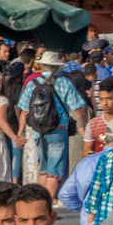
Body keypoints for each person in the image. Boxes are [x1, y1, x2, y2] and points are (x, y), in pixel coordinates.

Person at [14, 51, 89, 199]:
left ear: (42, 66)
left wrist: (20, 132)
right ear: (56, 67)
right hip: (58, 131)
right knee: (54, 172)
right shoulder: (64, 82)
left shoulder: (32, 84)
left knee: (44, 169)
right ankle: (46, 206)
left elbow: (23, 111)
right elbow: (78, 110)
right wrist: (87, 125)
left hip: (38, 132)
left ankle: (39, 202)